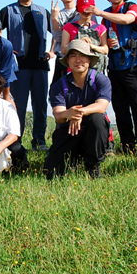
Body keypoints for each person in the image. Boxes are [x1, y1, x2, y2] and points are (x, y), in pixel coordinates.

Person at [85, 0, 137, 158]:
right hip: (115, 66)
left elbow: (128, 20)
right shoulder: (106, 14)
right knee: (120, 107)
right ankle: (127, 144)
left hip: (133, 65)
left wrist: (101, 13)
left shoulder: (132, 8)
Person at [0, 0, 52, 151]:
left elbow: (59, 33)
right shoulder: (8, 11)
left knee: (40, 105)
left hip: (40, 65)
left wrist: (52, 51)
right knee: (18, 106)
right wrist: (5, 52)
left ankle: (39, 141)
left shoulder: (43, 11)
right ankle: (16, 142)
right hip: (17, 67)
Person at [43, 40, 112, 179]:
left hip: (93, 132)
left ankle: (93, 165)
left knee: (97, 119)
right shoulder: (58, 85)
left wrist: (78, 113)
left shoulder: (101, 80)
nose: (78, 60)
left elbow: (101, 106)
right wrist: (69, 114)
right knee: (51, 171)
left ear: (89, 60)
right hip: (69, 130)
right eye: (73, 56)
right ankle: (74, 159)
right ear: (68, 61)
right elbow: (58, 115)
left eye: (83, 55)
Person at [61, 0, 108, 72]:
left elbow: (105, 50)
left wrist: (91, 46)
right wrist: (79, 43)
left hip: (96, 71)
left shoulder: (100, 28)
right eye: (83, 10)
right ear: (77, 9)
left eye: (88, 10)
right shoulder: (68, 27)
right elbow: (63, 49)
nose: (85, 13)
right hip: (74, 72)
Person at [50, 0, 80, 85]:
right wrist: (54, 19)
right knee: (57, 91)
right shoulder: (56, 13)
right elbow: (58, 38)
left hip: (81, 58)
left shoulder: (84, 12)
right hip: (63, 59)